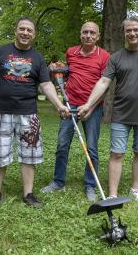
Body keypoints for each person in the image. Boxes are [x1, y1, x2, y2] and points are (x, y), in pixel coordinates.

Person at [0, 17, 69, 211]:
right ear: (15, 31)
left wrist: (58, 105)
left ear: (34, 34)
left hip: (28, 114)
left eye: (29, 30)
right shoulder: (0, 52)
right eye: (22, 29)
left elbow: (46, 85)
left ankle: (28, 194)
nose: (25, 33)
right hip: (1, 113)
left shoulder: (38, 58)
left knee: (29, 156)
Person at [78, 17, 138, 205]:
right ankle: (113, 195)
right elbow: (103, 82)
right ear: (124, 33)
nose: (132, 33)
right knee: (116, 154)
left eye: (136, 29)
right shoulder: (116, 57)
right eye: (128, 30)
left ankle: (135, 190)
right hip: (121, 113)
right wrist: (88, 104)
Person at [40, 22, 110, 202]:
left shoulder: (104, 56)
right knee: (62, 145)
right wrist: (56, 70)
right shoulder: (71, 52)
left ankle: (90, 185)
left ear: (98, 36)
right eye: (85, 32)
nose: (88, 35)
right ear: (80, 34)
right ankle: (58, 182)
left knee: (92, 148)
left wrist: (90, 107)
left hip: (92, 109)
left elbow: (104, 86)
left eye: (92, 33)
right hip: (69, 105)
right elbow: (67, 75)